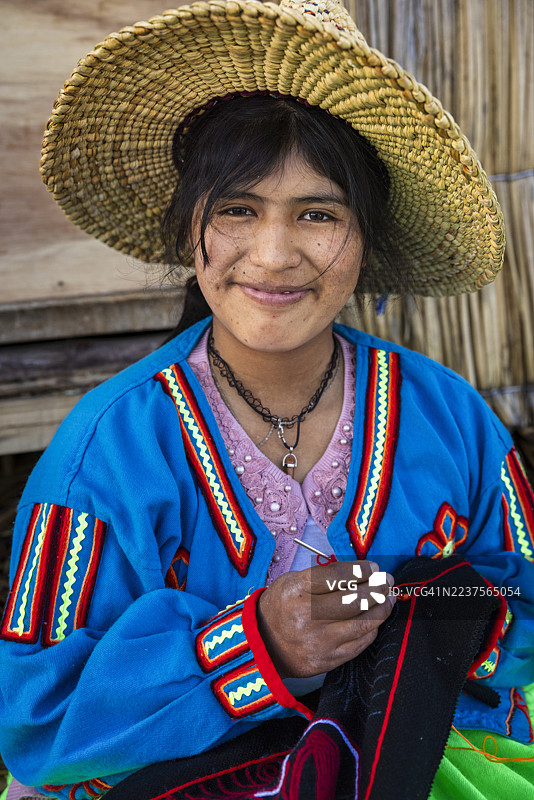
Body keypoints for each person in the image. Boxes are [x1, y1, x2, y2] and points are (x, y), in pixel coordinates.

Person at [1, 1, 533, 799]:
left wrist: (435, 614)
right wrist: (256, 648)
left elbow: (525, 604)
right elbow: (36, 718)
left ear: (367, 239)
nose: (275, 255)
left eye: (318, 214)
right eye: (237, 211)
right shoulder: (104, 457)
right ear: (191, 233)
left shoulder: (451, 421)